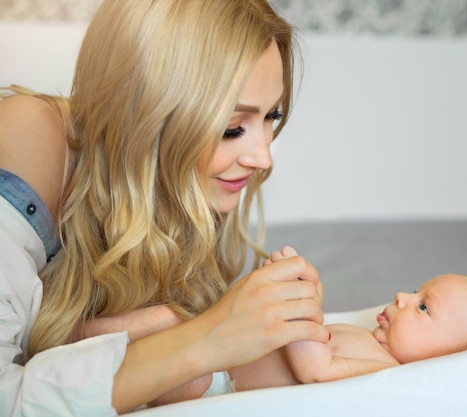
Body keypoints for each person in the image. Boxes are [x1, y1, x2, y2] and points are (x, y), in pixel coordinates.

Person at [0, 1, 330, 415]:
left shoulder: (173, 193)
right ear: (146, 111)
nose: (263, 159)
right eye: (232, 128)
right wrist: (204, 340)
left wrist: (161, 333)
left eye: (271, 115)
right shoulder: (28, 136)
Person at [229, 246, 467, 388]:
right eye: (417, 292)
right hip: (226, 351)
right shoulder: (368, 341)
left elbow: (316, 371)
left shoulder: (385, 371)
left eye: (423, 307)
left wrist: (296, 309)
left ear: (447, 359)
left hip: (217, 382)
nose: (402, 296)